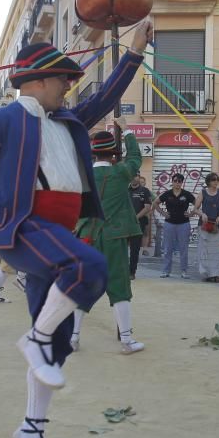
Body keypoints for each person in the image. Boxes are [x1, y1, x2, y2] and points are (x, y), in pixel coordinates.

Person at [0, 22, 152, 438]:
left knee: (58, 348)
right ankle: (35, 340)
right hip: (24, 228)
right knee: (91, 265)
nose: (69, 86)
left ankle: (31, 429)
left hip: (56, 232)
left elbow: (107, 96)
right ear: (37, 81)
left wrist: (135, 52)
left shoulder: (68, 121)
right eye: (62, 79)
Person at [71, 126, 146, 354]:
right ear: (113, 154)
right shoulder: (121, 172)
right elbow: (135, 157)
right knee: (119, 285)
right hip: (114, 235)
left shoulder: (82, 174)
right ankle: (126, 340)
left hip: (87, 235)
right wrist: (129, 131)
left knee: (83, 285)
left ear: (94, 153)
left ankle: (73, 338)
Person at [151, 173, 196, 278]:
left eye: (179, 181)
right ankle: (166, 271)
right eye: (175, 181)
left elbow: (197, 204)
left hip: (184, 224)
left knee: (183, 249)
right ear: (172, 182)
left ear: (182, 182)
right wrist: (163, 214)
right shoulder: (167, 194)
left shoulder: (186, 194)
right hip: (169, 224)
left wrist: (191, 214)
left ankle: (184, 271)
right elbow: (155, 203)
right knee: (167, 248)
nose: (177, 183)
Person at [194, 172, 219, 281]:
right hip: (206, 224)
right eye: (213, 180)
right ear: (208, 181)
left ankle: (217, 274)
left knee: (217, 251)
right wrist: (202, 214)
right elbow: (195, 208)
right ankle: (208, 274)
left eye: (217, 180)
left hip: (218, 224)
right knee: (206, 249)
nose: (216, 182)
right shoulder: (203, 192)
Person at [128, 174, 154, 278]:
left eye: (136, 176)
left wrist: (136, 217)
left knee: (135, 249)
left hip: (138, 223)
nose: (134, 178)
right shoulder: (124, 190)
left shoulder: (145, 191)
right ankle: (121, 271)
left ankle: (131, 272)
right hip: (123, 224)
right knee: (120, 249)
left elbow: (147, 207)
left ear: (139, 177)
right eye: (132, 176)